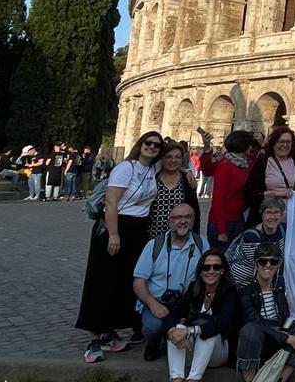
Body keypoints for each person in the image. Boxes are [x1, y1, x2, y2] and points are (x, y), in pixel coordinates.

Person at [76, 131, 163, 363]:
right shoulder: (127, 168)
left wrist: (185, 170)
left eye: (157, 146)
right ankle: (93, 339)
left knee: (122, 283)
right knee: (101, 282)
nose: (152, 147)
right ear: (140, 144)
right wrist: (114, 234)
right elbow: (111, 202)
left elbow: (176, 155)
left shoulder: (153, 169)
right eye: (148, 143)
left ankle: (108, 333)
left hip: (137, 231)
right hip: (115, 228)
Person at [133, 203, 209, 360]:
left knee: (201, 325)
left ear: (193, 220)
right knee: (152, 328)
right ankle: (154, 343)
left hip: (188, 303)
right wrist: (153, 305)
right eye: (178, 217)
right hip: (159, 301)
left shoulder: (202, 244)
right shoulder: (154, 245)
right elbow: (139, 282)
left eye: (188, 217)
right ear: (170, 221)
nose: (183, 221)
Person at [237, 243, 295, 382]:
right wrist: (288, 338)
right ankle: (252, 380)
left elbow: (285, 317)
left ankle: (281, 378)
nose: (268, 265)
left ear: (278, 265)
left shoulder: (280, 286)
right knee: (250, 330)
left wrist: (287, 334)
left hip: (280, 336)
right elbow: (255, 322)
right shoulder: (246, 292)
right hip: (260, 340)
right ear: (256, 264)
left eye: (273, 261)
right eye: (263, 261)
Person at [163, 249, 239, 382]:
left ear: (222, 271)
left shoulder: (229, 291)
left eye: (216, 267)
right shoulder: (194, 288)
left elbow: (223, 322)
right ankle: (176, 378)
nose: (211, 271)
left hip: (218, 352)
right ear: (200, 271)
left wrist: (189, 331)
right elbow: (173, 314)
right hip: (192, 349)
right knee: (177, 328)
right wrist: (173, 332)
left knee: (206, 330)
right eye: (206, 267)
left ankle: (194, 379)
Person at [243, 126, 295, 227]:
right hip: (265, 219)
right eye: (280, 141)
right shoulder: (263, 164)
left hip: (289, 220)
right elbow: (248, 194)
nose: (285, 145)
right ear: (273, 143)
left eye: (288, 142)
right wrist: (275, 193)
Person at [206, 130, 254, 247]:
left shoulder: (244, 165)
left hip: (237, 219)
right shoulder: (225, 166)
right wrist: (221, 231)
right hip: (223, 223)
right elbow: (218, 199)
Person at [228, 197, 287, 289]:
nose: (272, 217)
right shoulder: (251, 236)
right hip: (244, 283)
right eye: (268, 212)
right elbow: (262, 266)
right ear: (262, 215)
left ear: (282, 214)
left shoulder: (284, 230)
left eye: (276, 212)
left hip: (268, 278)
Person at [148, 142, 201, 239]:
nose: (173, 160)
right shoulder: (152, 179)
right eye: (168, 157)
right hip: (153, 236)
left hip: (180, 237)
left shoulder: (188, 181)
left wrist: (195, 237)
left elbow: (195, 212)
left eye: (177, 157)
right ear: (162, 159)